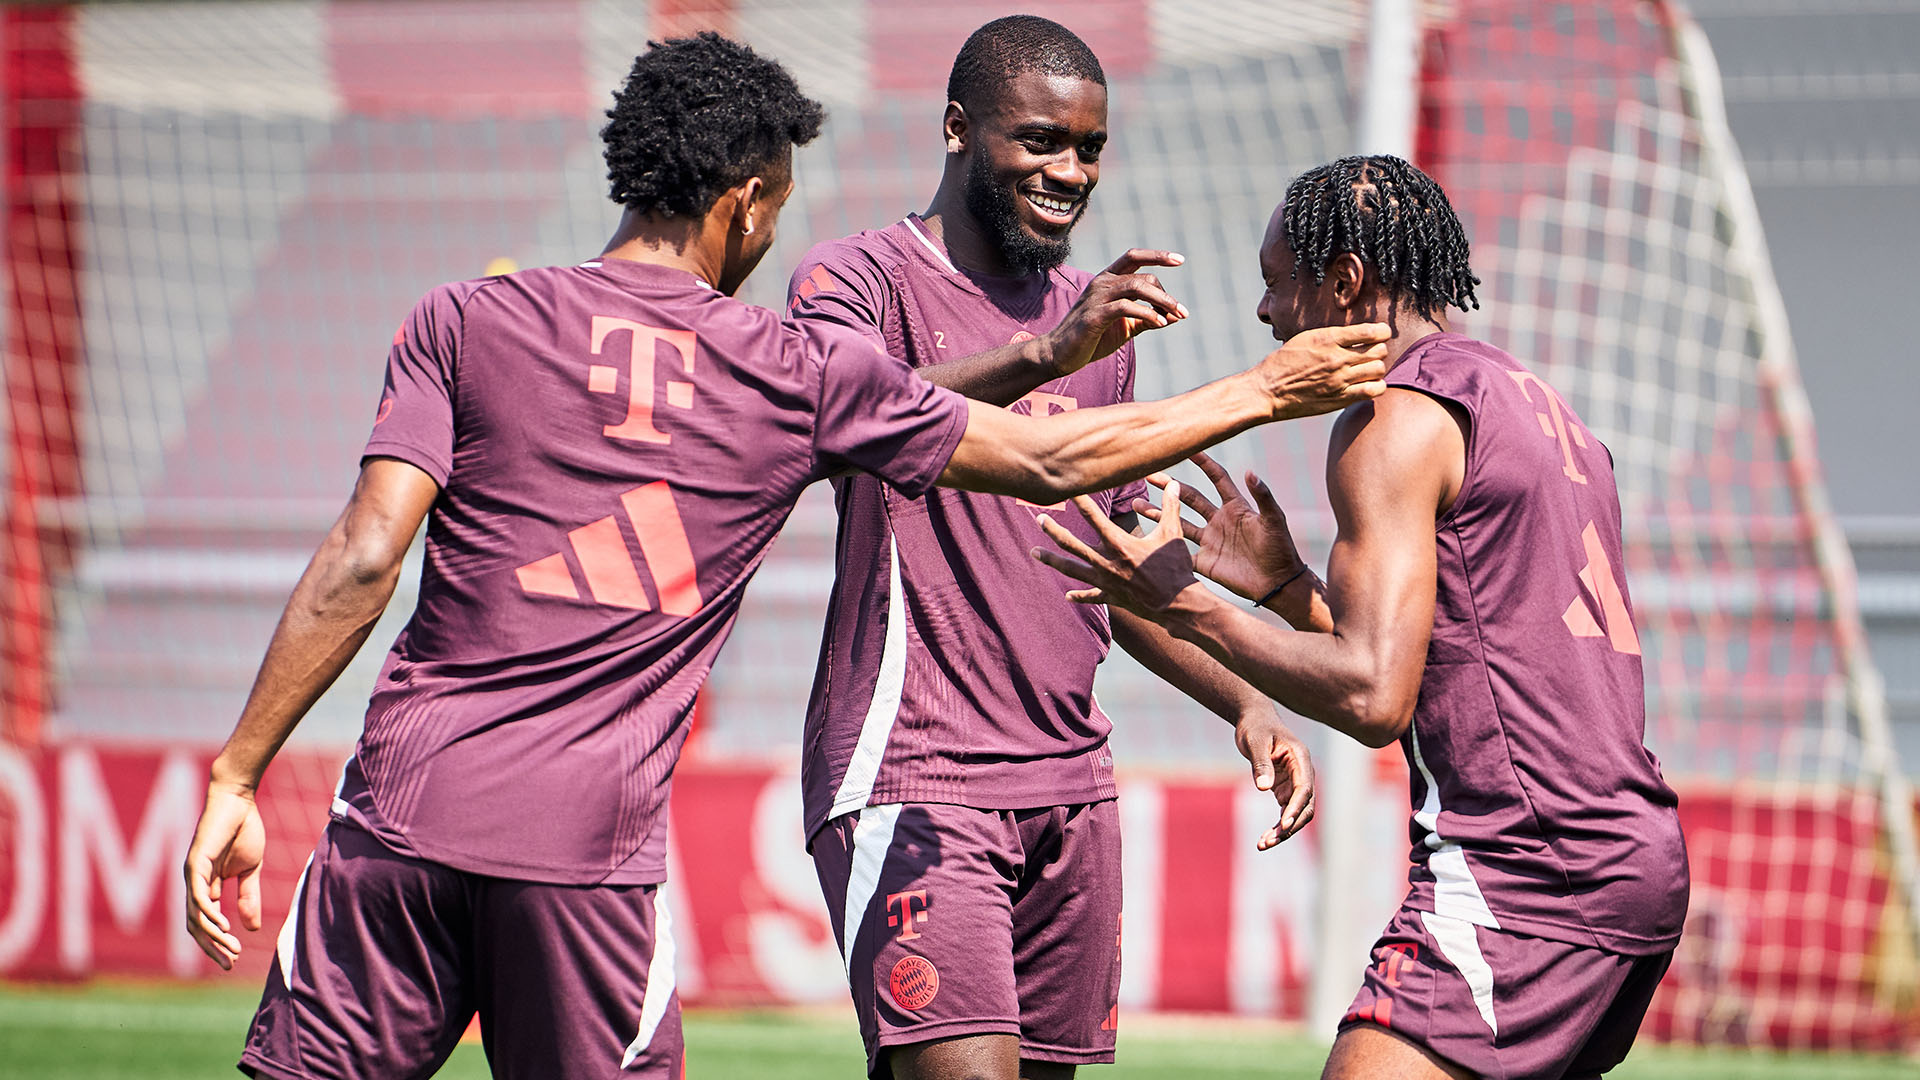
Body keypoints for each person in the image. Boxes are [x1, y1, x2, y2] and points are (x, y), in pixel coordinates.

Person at [179, 34, 1390, 1080]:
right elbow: (1033, 460)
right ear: (749, 204)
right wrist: (1262, 389)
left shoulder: (462, 317)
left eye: (1091, 150)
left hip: (401, 810)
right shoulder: (789, 360)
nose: (1071, 172)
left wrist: (238, 775)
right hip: (641, 837)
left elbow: (361, 560)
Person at [1033, 155, 1690, 1080]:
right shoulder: (1534, 403)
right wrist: (1284, 586)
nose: (1266, 315)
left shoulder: (1393, 418)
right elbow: (1462, 649)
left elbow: (1375, 696)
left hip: (1528, 868)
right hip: (1631, 856)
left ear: (1344, 282)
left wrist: (1179, 604)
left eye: (1276, 285)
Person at [785, 16, 1326, 1080]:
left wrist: (1246, 702)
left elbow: (1105, 577)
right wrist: (1046, 352)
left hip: (1071, 783)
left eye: (1088, 148)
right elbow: (837, 427)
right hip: (915, 767)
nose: (1069, 171)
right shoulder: (856, 280)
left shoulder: (1097, 335)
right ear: (957, 128)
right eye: (1040, 141)